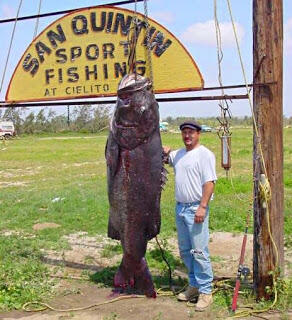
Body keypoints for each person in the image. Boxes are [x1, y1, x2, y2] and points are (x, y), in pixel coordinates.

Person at [163, 120, 217, 311]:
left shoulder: (204, 155)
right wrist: (164, 151)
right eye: (184, 132)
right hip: (180, 208)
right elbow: (164, 157)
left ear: (198, 134)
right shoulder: (178, 154)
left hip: (196, 208)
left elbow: (209, 182)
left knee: (199, 251)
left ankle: (206, 291)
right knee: (186, 250)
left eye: (191, 132)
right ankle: (193, 285)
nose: (187, 136)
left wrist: (203, 206)